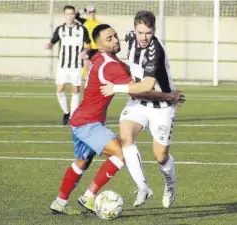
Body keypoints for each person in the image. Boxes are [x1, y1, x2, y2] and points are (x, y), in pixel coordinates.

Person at [50, 23, 184, 215]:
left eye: (115, 36)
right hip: (88, 123)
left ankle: (59, 202)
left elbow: (128, 70)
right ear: (100, 45)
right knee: (121, 153)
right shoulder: (110, 65)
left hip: (81, 120)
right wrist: (168, 97)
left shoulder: (102, 58)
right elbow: (141, 92)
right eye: (109, 39)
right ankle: (89, 196)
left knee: (82, 162)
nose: (115, 40)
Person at [100, 11, 181, 208]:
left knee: (160, 157)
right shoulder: (129, 37)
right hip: (138, 102)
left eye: (148, 32)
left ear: (154, 30)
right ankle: (143, 186)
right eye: (140, 32)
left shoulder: (156, 50)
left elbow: (147, 85)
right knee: (126, 137)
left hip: (161, 107)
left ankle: (170, 185)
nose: (144, 37)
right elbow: (111, 46)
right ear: (134, 29)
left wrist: (116, 87)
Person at [45, 5, 91, 125]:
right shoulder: (60, 29)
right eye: (67, 14)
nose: (69, 16)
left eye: (71, 14)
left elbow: (88, 45)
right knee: (60, 89)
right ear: (64, 15)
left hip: (76, 66)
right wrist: (49, 45)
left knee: (75, 90)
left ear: (74, 15)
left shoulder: (82, 29)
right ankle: (66, 112)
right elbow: (53, 41)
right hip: (63, 66)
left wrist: (85, 51)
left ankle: (73, 116)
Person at [75, 2, 101, 78]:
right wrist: (85, 9)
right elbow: (76, 16)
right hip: (88, 47)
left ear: (95, 12)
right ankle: (82, 79)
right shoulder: (85, 21)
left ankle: (90, 79)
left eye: (92, 12)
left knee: (95, 67)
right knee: (86, 66)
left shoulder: (98, 23)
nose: (91, 13)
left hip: (96, 48)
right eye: (90, 12)